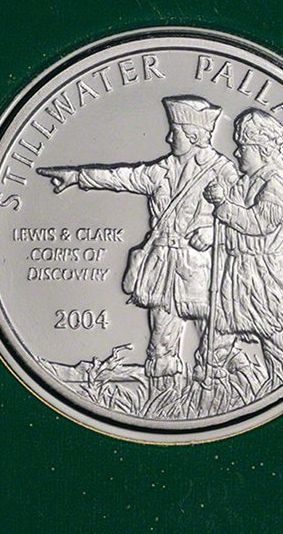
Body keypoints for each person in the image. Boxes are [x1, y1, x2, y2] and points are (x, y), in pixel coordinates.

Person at [37, 96, 238, 387]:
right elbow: (123, 177)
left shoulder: (223, 171)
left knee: (217, 329)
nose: (169, 138)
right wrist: (78, 176)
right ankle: (164, 394)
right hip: (163, 267)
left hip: (202, 268)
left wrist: (213, 234)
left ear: (194, 136)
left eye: (176, 132)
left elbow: (246, 219)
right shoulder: (162, 170)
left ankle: (214, 385)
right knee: (161, 342)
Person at [203, 108, 283, 392]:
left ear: (263, 150)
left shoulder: (278, 183)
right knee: (219, 330)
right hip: (236, 269)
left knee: (274, 332)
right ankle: (211, 390)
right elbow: (229, 225)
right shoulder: (246, 182)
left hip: (263, 274)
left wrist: (222, 204)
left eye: (242, 147)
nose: (236, 153)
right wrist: (212, 224)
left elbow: (257, 224)